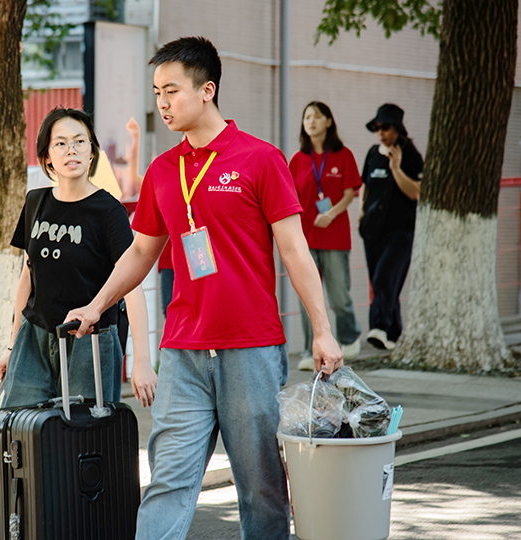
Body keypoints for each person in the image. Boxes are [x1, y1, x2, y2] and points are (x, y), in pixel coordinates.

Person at [65, 37, 343, 540]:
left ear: (207, 90)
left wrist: (321, 330)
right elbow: (141, 252)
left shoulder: (261, 159)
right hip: (183, 352)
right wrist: (96, 305)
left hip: (251, 348)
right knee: (168, 482)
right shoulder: (161, 171)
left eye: (171, 91)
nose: (162, 103)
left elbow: (295, 250)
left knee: (261, 487)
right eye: (157, 93)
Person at [0, 107, 156, 409]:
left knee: (84, 433)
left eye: (80, 141)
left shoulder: (109, 211)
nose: (72, 150)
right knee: (23, 427)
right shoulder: (35, 202)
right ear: (47, 156)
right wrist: (13, 346)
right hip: (34, 340)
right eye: (61, 143)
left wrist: (142, 362)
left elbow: (131, 285)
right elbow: (27, 278)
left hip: (90, 342)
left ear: (92, 152)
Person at [290, 101, 363, 370]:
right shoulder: (298, 160)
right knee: (307, 298)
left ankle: (348, 336)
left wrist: (330, 214)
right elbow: (290, 198)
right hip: (306, 240)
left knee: (338, 295)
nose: (311, 121)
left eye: (317, 116)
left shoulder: (343, 155)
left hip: (335, 237)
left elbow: (349, 193)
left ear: (329, 122)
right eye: (307, 117)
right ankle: (310, 351)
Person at [360, 104, 423, 350]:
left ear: (397, 129)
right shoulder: (372, 153)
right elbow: (365, 185)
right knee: (383, 282)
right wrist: (361, 213)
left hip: (400, 231)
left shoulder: (411, 155)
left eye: (385, 128)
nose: (380, 133)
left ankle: (379, 327)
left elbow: (415, 192)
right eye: (376, 128)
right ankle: (394, 335)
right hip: (372, 230)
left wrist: (395, 168)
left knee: (385, 278)